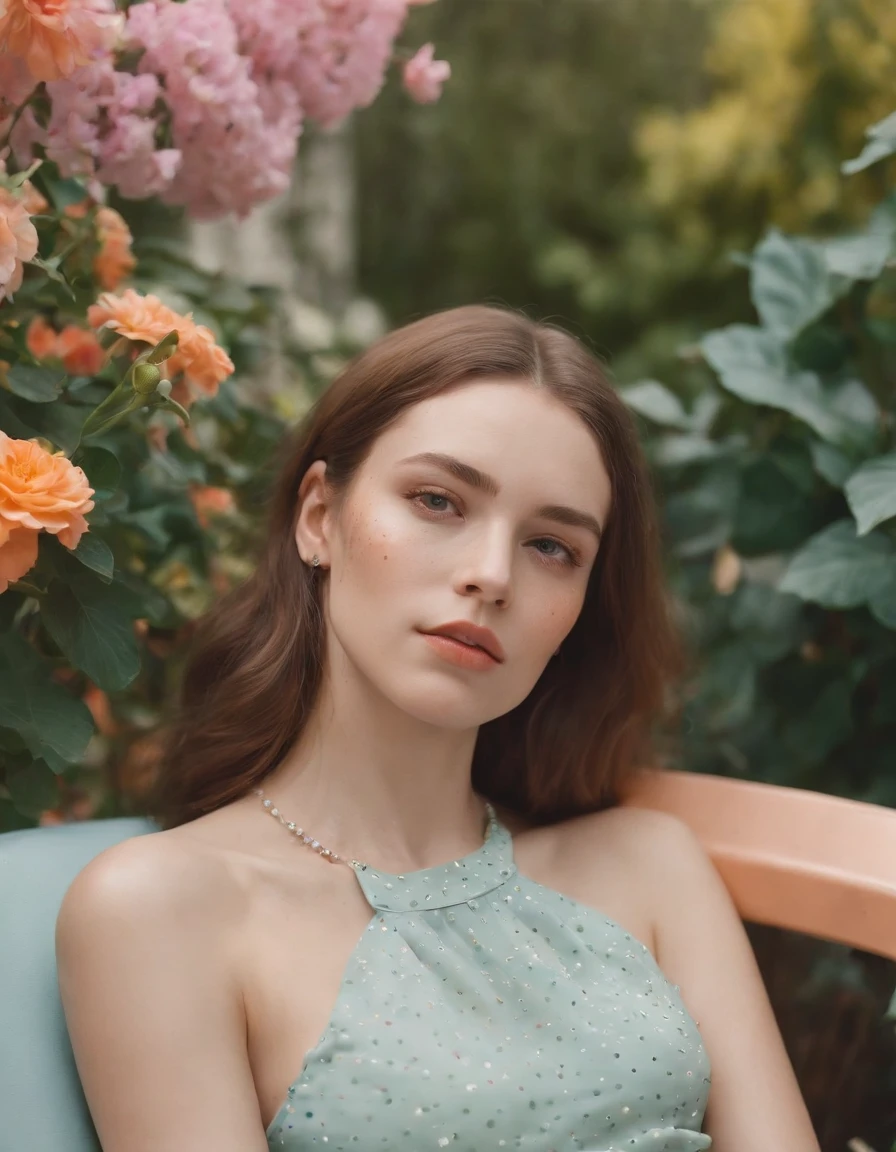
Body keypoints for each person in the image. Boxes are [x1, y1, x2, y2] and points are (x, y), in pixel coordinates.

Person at [54, 305, 820, 1152]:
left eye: (552, 548)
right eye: (437, 500)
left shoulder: (651, 866)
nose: (491, 576)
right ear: (318, 517)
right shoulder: (164, 908)